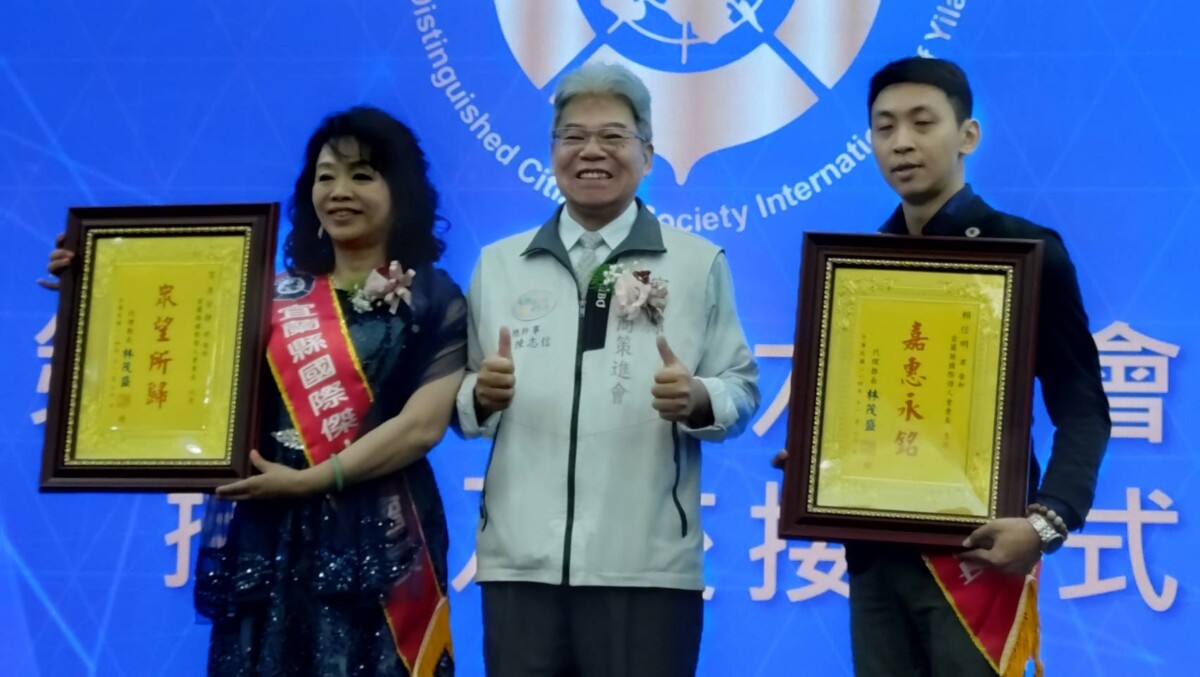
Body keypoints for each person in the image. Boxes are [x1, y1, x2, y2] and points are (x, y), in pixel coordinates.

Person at [43, 106, 466, 676]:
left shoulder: (435, 299)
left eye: (362, 175)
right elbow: (172, 359)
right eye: (325, 176)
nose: (340, 191)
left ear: (401, 191)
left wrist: (310, 480)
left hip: (380, 533)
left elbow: (422, 426)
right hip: (268, 529)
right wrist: (97, 284)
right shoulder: (260, 293)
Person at [776, 57, 1111, 676]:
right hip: (876, 558)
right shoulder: (858, 271)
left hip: (979, 557)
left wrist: (1046, 522)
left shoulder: (1028, 253)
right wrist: (820, 463)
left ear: (967, 135)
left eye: (922, 122)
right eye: (884, 128)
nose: (901, 142)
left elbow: (1082, 407)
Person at [455, 62, 760, 677]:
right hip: (519, 563)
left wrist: (698, 397)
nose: (591, 151)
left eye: (614, 136)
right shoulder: (499, 264)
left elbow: (741, 388)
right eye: (573, 136)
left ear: (648, 154)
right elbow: (460, 397)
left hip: (646, 566)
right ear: (552, 152)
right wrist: (480, 396)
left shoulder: (696, 262)